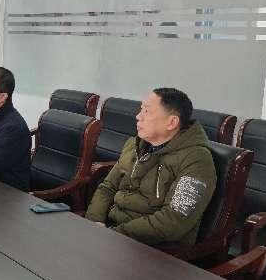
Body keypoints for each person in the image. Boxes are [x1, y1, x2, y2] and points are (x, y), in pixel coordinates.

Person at [85, 88, 217, 246]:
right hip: (111, 232)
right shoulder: (134, 145)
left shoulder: (197, 160)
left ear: (171, 122)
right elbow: (107, 187)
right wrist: (94, 223)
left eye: (147, 111)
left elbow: (173, 221)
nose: (138, 116)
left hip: (152, 247)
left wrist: (115, 234)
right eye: (141, 109)